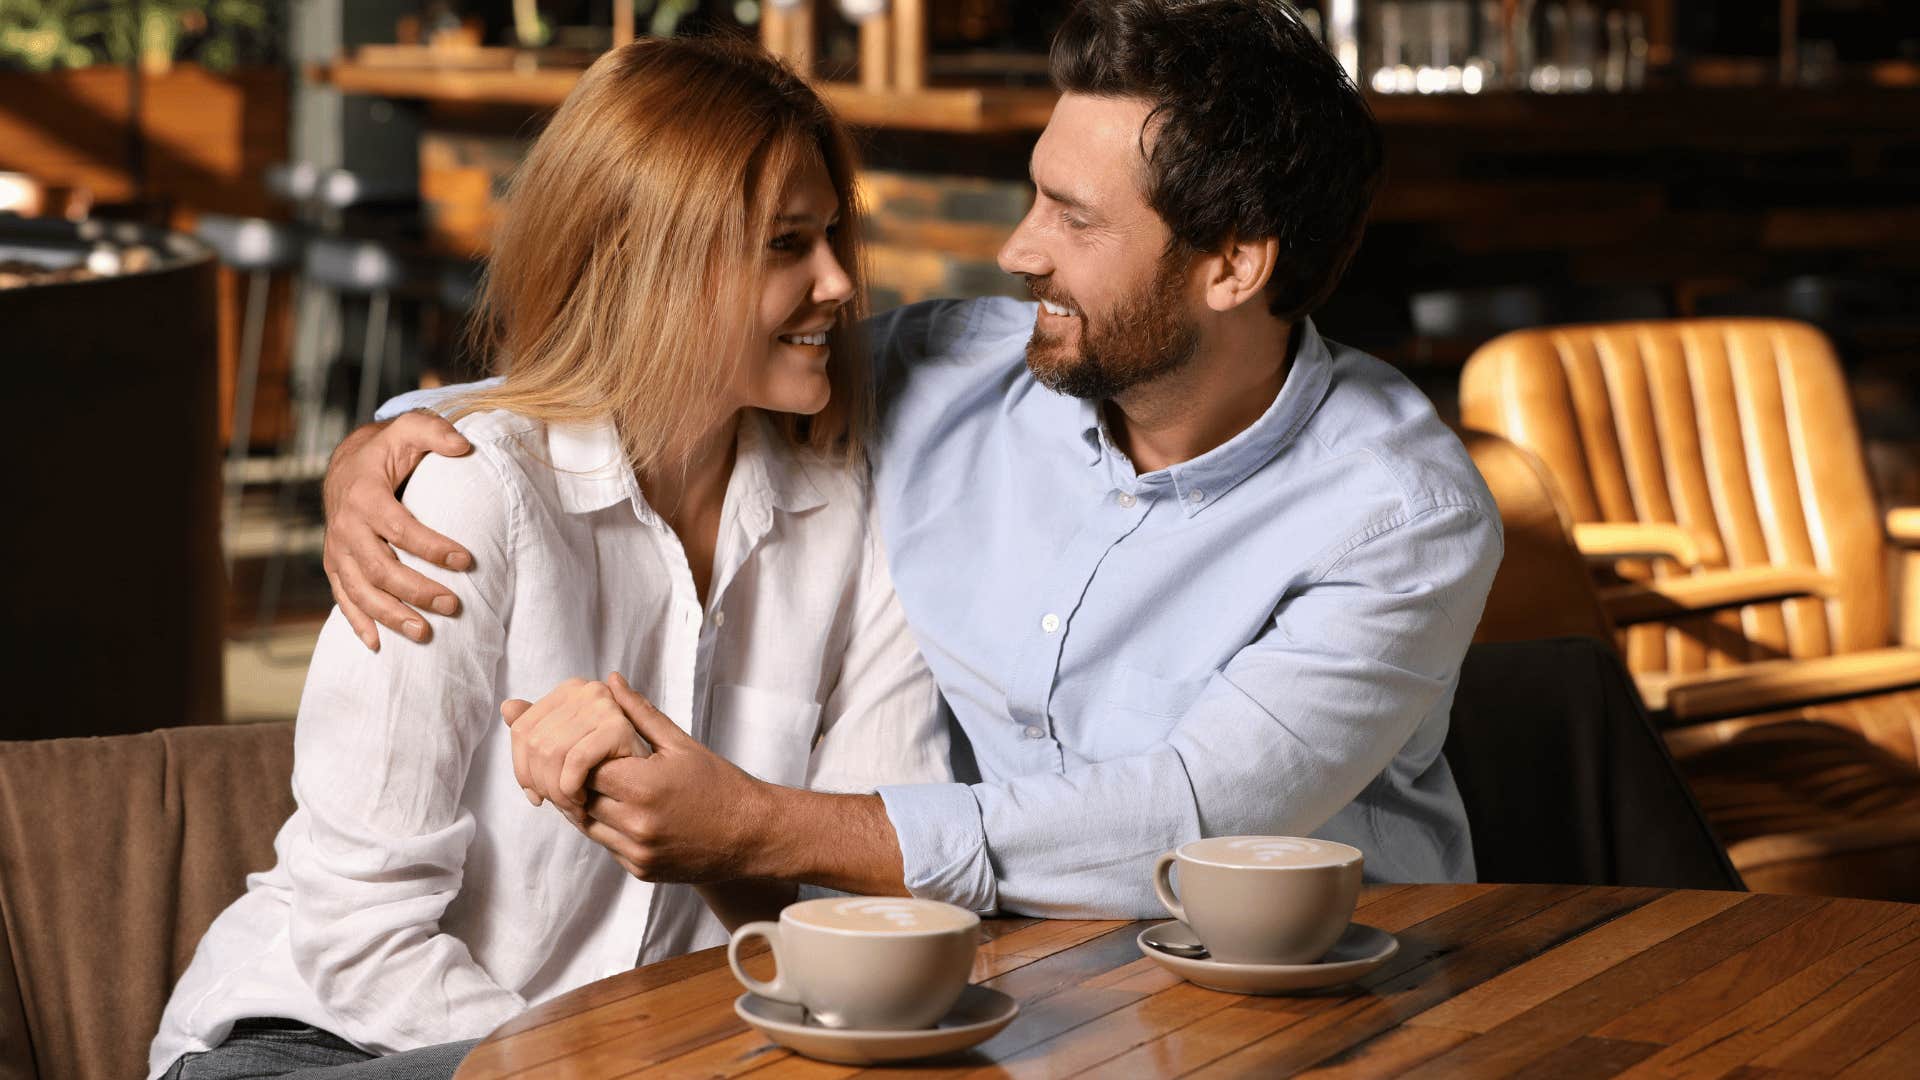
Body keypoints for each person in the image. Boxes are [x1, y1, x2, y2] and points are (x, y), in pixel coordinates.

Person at [326, 0, 1503, 921]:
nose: (1017, 251)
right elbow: (667, 356)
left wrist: (761, 828)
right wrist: (405, 438)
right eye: (1033, 196)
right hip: (1013, 994)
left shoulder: (1398, 514)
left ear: (1233, 268)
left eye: (1075, 219)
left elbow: (1189, 828)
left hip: (1320, 1003)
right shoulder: (949, 377)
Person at [150, 38, 948, 1079]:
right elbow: (359, 934)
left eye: (834, 235)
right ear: (642, 260)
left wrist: (738, 843)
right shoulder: (469, 494)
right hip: (327, 1043)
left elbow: (873, 907)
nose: (841, 283)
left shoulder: (856, 518)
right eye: (786, 244)